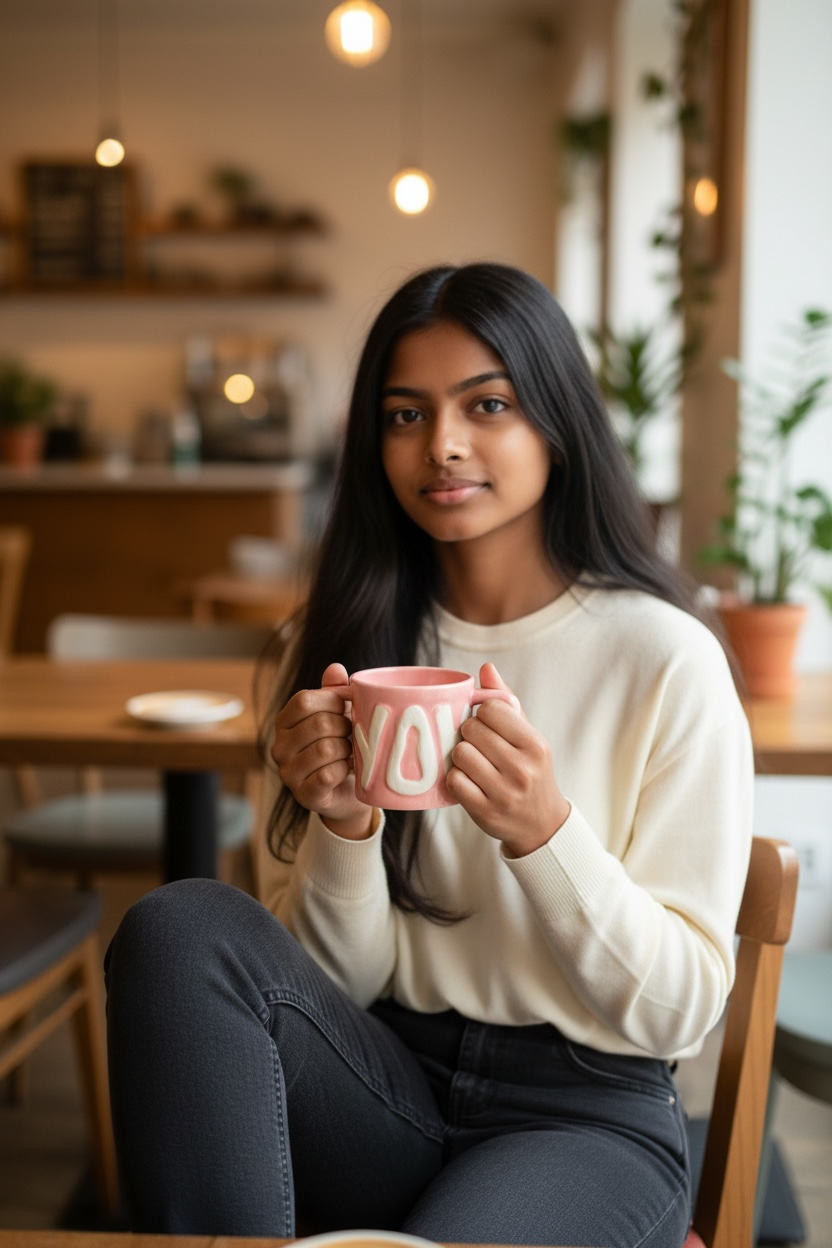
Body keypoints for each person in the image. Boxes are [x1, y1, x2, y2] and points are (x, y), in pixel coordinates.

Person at [105, 262, 754, 1247]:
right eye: (404, 415)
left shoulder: (665, 659)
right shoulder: (324, 649)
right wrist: (343, 824)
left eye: (485, 404)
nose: (441, 445)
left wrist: (547, 834)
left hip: (581, 1116)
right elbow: (336, 985)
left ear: (556, 423)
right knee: (177, 927)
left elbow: (675, 1017)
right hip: (383, 1081)